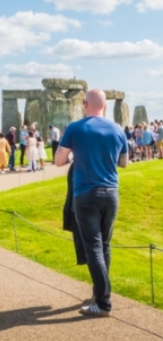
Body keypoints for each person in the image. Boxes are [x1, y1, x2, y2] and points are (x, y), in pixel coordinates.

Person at [55, 89, 128, 318]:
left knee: (93, 247)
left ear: (85, 104)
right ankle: (99, 293)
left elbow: (59, 160)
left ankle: (103, 302)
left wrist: (75, 156)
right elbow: (124, 162)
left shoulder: (75, 128)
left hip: (86, 193)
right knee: (104, 245)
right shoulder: (117, 130)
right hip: (111, 193)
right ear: (105, 106)